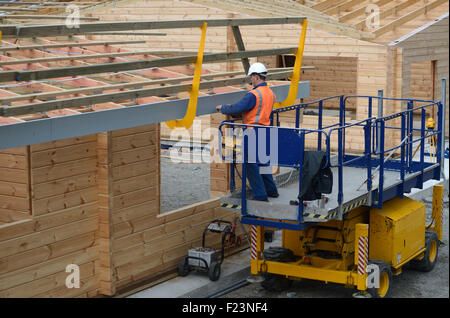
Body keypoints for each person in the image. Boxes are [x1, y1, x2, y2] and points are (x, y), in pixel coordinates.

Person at [216, 62, 279, 201]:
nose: (250, 79)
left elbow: (238, 108)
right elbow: (258, 110)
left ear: (256, 77)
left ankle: (260, 195)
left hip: (253, 132)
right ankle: (271, 190)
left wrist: (223, 108)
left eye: (251, 77)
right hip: (265, 131)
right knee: (263, 163)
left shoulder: (253, 94)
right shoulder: (270, 92)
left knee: (250, 165)